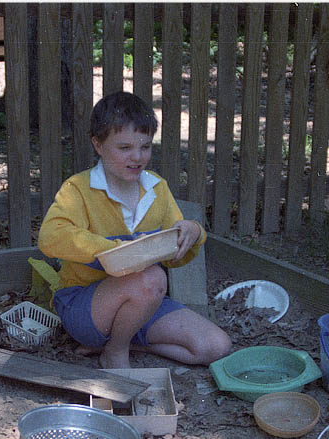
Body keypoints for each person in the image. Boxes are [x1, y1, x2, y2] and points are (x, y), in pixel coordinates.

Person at [38, 91, 232, 369]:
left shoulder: (157, 188)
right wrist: (116, 250)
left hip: (143, 302)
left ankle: (126, 340)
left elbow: (174, 257)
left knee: (216, 346)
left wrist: (193, 232)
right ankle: (115, 351)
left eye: (145, 146)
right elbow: (50, 237)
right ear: (98, 144)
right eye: (125, 147)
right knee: (151, 278)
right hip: (86, 305)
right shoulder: (79, 188)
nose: (138, 157)